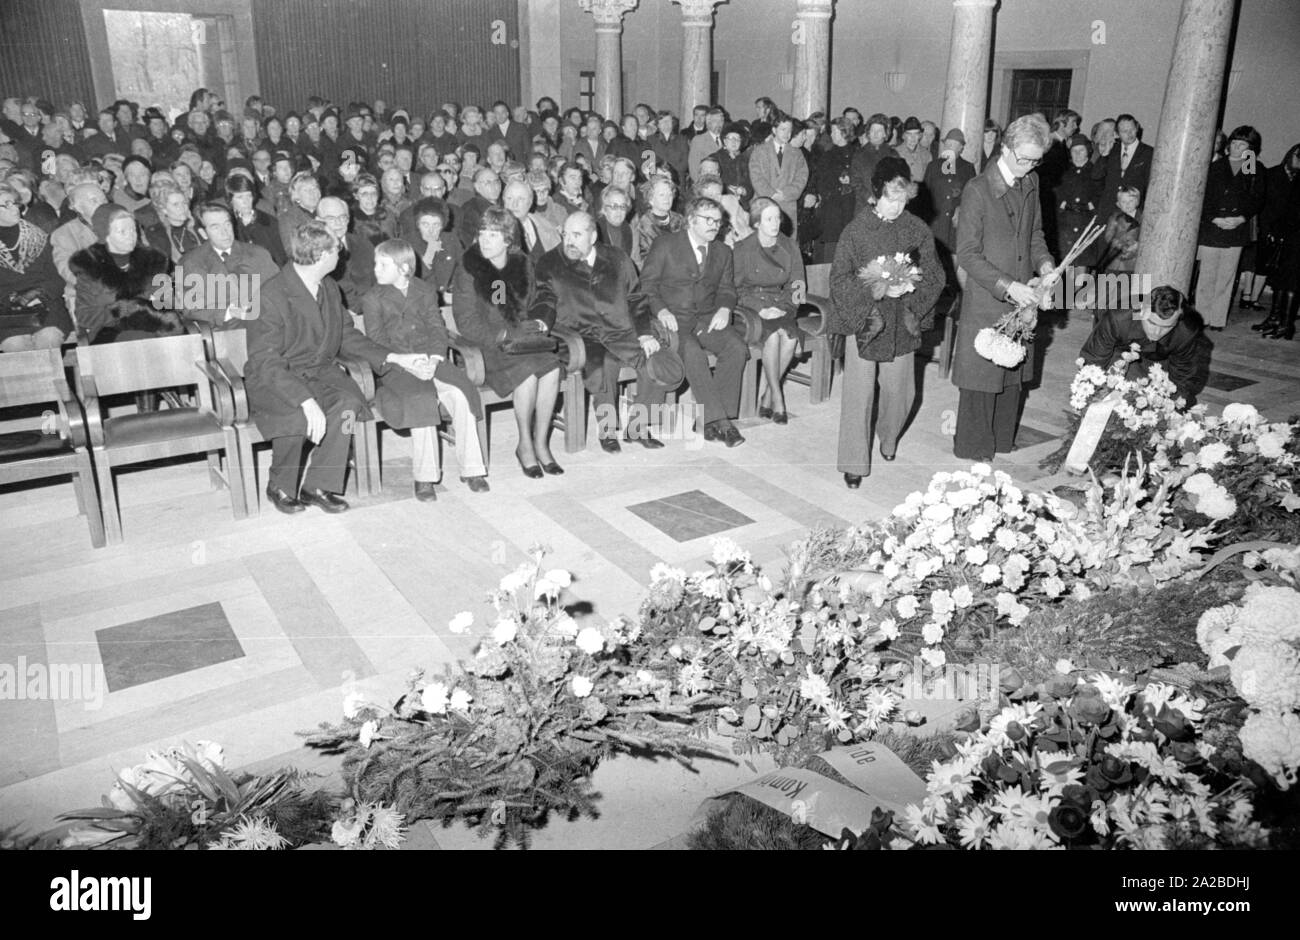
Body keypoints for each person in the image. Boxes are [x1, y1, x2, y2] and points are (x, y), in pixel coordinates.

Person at [828, 158, 944, 487]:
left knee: (901, 393)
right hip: (864, 319)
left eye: (902, 199)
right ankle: (853, 462)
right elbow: (839, 280)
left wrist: (911, 296)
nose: (896, 207)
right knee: (858, 395)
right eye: (890, 199)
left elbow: (935, 276)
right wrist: (876, 290)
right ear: (876, 193)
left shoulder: (917, 229)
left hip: (902, 319)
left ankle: (888, 435)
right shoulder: (856, 231)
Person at [951, 114, 1056, 461]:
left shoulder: (1033, 181)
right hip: (989, 294)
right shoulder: (978, 189)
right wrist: (1008, 286)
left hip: (1023, 295)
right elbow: (967, 253)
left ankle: (1000, 439)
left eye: (1035, 160)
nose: (1028, 166)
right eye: (1023, 159)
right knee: (983, 374)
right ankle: (975, 447)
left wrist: (1045, 265)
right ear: (1006, 148)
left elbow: (1036, 234)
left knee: (1012, 373)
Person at [360, 239, 488, 500]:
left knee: (460, 396)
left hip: (432, 359)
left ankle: (472, 468)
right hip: (398, 365)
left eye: (382, 264)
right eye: (376, 263)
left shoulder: (425, 289)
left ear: (404, 268)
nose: (376, 269)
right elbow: (375, 339)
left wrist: (436, 358)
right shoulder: (373, 297)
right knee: (422, 400)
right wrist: (410, 361)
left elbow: (436, 329)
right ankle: (425, 477)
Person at [533, 212, 669, 451]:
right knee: (604, 364)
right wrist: (540, 321)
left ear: (593, 236)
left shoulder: (617, 258)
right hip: (579, 336)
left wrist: (645, 333)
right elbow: (544, 298)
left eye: (577, 235)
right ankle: (607, 431)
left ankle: (638, 426)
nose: (568, 241)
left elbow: (636, 298)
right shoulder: (550, 262)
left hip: (619, 331)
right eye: (565, 234)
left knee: (656, 360)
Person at [452, 205, 564, 477]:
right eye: (482, 234)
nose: (484, 241)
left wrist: (537, 322)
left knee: (551, 369)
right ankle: (524, 445)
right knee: (526, 375)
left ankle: (541, 443)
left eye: (492, 235)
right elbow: (465, 321)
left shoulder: (522, 263)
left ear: (508, 240)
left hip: (521, 339)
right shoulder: (469, 269)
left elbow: (537, 300)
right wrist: (501, 335)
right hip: (489, 345)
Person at [640, 195, 748, 447]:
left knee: (737, 348)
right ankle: (720, 423)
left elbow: (727, 289)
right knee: (693, 354)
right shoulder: (665, 245)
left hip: (707, 318)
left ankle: (706, 420)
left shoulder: (722, 251)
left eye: (718, 221)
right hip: (672, 322)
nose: (714, 225)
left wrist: (724, 308)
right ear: (691, 221)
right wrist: (662, 310)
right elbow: (647, 286)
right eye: (707, 220)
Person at [732, 197, 805, 424]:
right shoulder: (743, 248)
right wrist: (761, 309)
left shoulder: (789, 246)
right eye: (769, 219)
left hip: (782, 304)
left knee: (791, 338)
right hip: (750, 307)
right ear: (756, 223)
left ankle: (766, 396)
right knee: (773, 337)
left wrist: (784, 308)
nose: (775, 223)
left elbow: (798, 285)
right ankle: (778, 398)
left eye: (778, 218)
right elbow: (734, 289)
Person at [1079, 285, 1208, 405]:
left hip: (1160, 361)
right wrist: (1089, 393)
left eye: (1167, 327)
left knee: (1151, 400)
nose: (1157, 332)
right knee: (1111, 394)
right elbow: (1094, 358)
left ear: (1179, 319)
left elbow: (1183, 377)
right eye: (1151, 323)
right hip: (1120, 351)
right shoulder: (1118, 318)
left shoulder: (1187, 332)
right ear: (1141, 312)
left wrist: (1170, 406)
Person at [69, 203, 174, 343]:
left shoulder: (153, 262)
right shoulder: (91, 266)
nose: (130, 236)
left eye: (133, 230)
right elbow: (85, 316)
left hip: (154, 328)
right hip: (109, 334)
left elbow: (166, 303)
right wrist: (120, 310)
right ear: (105, 235)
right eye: (122, 232)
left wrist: (148, 309)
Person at [1195, 125, 1264, 330]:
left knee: (1226, 277)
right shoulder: (1215, 165)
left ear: (1251, 149)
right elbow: (1202, 196)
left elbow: (1256, 198)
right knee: (1206, 276)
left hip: (1236, 229)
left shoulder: (1252, 166)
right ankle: (1201, 318)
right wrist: (1214, 218)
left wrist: (1241, 218)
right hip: (1212, 227)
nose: (1236, 148)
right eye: (1234, 143)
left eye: (1242, 144)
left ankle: (1217, 320)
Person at [175, 201, 279, 328]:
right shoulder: (190, 262)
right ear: (203, 233)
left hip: (265, 325)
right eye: (215, 227)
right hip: (225, 331)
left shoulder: (258, 254)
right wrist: (228, 312)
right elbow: (191, 309)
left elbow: (279, 292)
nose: (225, 232)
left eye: (227, 224)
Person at [0, 181, 73, 350]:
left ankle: (52, 377)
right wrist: (12, 299)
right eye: (6, 204)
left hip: (46, 304)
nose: (14, 208)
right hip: (6, 311)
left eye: (15, 203)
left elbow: (57, 277)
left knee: (48, 337)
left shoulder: (39, 237)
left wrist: (38, 294)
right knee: (15, 344)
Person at [1253, 143, 1300, 338]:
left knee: (1292, 282)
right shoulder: (1292, 178)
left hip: (1297, 238)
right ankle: (1275, 319)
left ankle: (1286, 323)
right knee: (1280, 279)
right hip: (1288, 236)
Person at [921, 128, 976, 285]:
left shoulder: (968, 168)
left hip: (955, 225)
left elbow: (972, 196)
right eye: (948, 143)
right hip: (936, 223)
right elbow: (925, 194)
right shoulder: (933, 166)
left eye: (955, 144)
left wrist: (960, 208)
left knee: (952, 264)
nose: (951, 146)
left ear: (961, 147)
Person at [749, 114, 809, 241]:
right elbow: (756, 176)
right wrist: (771, 194)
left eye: (789, 130)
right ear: (774, 130)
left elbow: (802, 177)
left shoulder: (797, 153)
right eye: (783, 129)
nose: (787, 133)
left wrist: (787, 193)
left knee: (786, 246)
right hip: (763, 204)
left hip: (787, 205)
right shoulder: (759, 151)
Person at [810, 118, 858, 263]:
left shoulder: (857, 154)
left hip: (852, 208)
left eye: (835, 131)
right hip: (833, 211)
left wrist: (851, 180)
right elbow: (821, 182)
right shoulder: (827, 155)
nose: (832, 135)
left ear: (845, 132)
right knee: (831, 252)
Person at [1053, 134, 1100, 269]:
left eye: (1082, 150)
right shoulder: (1063, 171)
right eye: (1074, 151)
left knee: (1082, 266)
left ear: (1088, 151)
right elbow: (1055, 192)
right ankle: (1067, 291)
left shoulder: (1096, 171)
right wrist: (1061, 206)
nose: (1078, 154)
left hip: (1086, 222)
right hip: (1065, 224)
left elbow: (1100, 193)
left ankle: (1078, 291)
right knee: (1065, 265)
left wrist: (1092, 206)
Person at [1099, 114, 1153, 215]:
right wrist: (1105, 154)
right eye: (1124, 131)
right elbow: (1096, 175)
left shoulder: (1148, 152)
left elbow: (1150, 185)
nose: (1129, 134)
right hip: (1108, 210)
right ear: (1117, 134)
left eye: (1132, 129)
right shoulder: (1112, 150)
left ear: (1137, 128)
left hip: (1132, 212)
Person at [632, 176, 684, 266]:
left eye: (670, 194)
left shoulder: (679, 219)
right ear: (651, 199)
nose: (667, 199)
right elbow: (646, 259)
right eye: (661, 195)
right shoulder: (643, 225)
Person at [850, 113, 893, 208]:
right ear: (868, 132)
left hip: (888, 206)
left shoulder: (893, 155)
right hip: (864, 205)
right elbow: (855, 181)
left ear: (886, 133)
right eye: (872, 130)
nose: (875, 134)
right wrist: (868, 197)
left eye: (880, 131)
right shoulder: (859, 155)